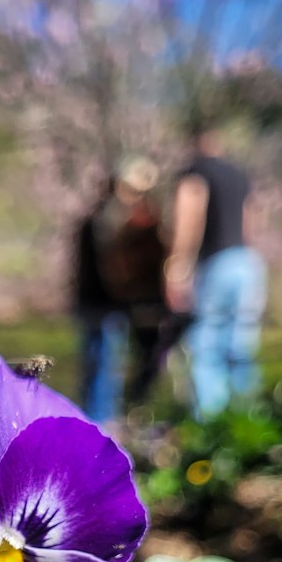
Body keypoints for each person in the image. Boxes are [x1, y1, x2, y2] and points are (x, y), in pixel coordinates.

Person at [164, 125, 267, 419]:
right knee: (241, 345)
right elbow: (251, 224)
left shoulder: (196, 171)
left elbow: (189, 218)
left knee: (205, 347)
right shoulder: (240, 175)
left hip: (217, 264)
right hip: (248, 263)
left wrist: (177, 269)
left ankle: (210, 427)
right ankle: (247, 424)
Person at [72, 158, 166, 426]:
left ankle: (95, 420)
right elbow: (110, 270)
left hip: (97, 306)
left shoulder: (99, 218)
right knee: (103, 368)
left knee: (100, 367)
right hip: (103, 306)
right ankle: (98, 424)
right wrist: (127, 294)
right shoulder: (108, 221)